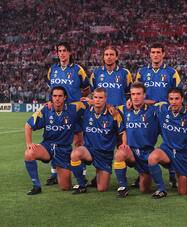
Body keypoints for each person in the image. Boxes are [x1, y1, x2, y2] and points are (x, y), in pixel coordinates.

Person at [135, 43, 182, 187]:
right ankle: (142, 173)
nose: (155, 55)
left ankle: (174, 174)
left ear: (163, 54)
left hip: (166, 115)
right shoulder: (142, 72)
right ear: (150, 54)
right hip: (147, 115)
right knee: (144, 144)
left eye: (158, 52)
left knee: (171, 143)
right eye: (153, 52)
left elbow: (178, 93)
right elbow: (136, 91)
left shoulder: (171, 72)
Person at [24, 86, 85, 195]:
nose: (57, 98)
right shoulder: (45, 109)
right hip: (47, 147)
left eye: (60, 96)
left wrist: (106, 105)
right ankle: (36, 186)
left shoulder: (73, 108)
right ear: (51, 97)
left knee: (65, 187)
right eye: (55, 96)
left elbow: (94, 103)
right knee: (29, 153)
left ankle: (59, 170)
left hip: (63, 150)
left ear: (65, 97)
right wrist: (29, 143)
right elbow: (28, 125)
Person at [87, 45, 132, 188]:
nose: (109, 57)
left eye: (112, 54)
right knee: (100, 144)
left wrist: (119, 109)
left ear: (116, 57)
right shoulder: (96, 73)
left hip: (119, 115)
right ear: (103, 56)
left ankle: (122, 179)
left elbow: (128, 93)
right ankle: (98, 173)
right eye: (106, 54)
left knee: (121, 145)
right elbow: (94, 94)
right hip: (102, 114)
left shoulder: (125, 73)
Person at [45, 42, 90, 186]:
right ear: (57, 53)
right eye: (60, 51)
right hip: (57, 111)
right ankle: (54, 172)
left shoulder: (78, 69)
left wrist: (78, 100)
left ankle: (81, 171)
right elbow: (50, 88)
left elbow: (86, 88)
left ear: (70, 53)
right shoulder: (53, 69)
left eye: (65, 51)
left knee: (78, 141)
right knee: (55, 141)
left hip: (73, 112)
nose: (62, 53)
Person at [148, 88, 187, 198]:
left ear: (182, 99)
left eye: (177, 99)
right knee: (152, 157)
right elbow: (148, 103)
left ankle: (186, 181)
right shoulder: (162, 109)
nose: (173, 102)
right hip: (167, 150)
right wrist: (132, 101)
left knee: (183, 192)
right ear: (168, 100)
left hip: (183, 155)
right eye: (171, 99)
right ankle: (161, 189)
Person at [70, 88, 125, 194]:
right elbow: (68, 105)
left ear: (105, 99)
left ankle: (98, 176)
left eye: (101, 98)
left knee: (102, 189)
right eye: (95, 97)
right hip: (89, 150)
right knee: (75, 154)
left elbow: (122, 131)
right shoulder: (85, 109)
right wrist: (50, 102)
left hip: (105, 155)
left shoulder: (113, 113)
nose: (98, 100)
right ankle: (81, 184)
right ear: (92, 98)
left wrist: (122, 145)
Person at [113, 82, 160, 197]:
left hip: (147, 152)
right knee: (120, 153)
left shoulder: (153, 110)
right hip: (131, 152)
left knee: (144, 189)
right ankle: (122, 187)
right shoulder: (124, 109)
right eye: (133, 94)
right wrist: (124, 143)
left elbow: (166, 103)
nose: (135, 97)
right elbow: (108, 106)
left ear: (144, 95)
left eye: (139, 94)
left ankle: (144, 175)